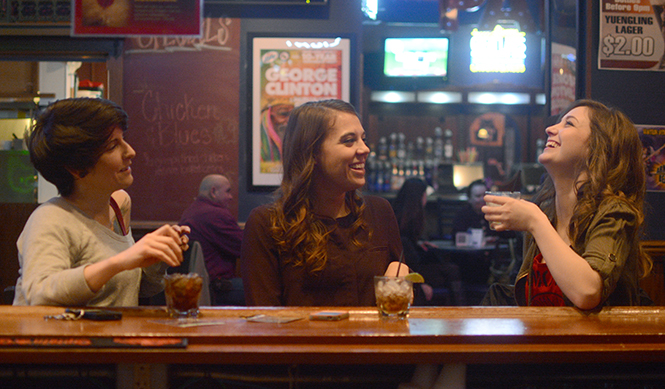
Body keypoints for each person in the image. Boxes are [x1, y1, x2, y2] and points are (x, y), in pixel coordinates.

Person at [13, 98, 189, 307]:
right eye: (113, 145)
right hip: (62, 340)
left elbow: (136, 290)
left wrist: (155, 257)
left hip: (113, 338)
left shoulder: (118, 205)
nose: (130, 151)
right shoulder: (51, 218)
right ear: (76, 167)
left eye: (123, 139)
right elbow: (40, 293)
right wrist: (121, 261)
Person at [482, 99, 652, 309]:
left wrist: (535, 221)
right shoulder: (547, 211)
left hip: (597, 341)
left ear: (598, 146)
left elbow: (587, 292)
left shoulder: (615, 211)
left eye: (568, 124)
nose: (550, 129)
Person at [240, 99, 405, 306]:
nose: (364, 149)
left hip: (372, 338)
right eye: (349, 141)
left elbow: (400, 289)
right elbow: (263, 319)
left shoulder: (379, 212)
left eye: (363, 139)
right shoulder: (267, 223)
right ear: (313, 152)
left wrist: (402, 279)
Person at [393, 178, 465, 305]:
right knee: (452, 271)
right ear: (420, 197)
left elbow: (404, 243)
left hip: (409, 267)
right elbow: (408, 253)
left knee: (450, 270)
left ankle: (459, 310)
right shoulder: (412, 218)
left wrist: (418, 243)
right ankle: (460, 310)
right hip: (411, 270)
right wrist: (420, 284)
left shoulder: (397, 215)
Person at [179, 174, 245, 305]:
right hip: (216, 289)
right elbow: (245, 247)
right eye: (228, 191)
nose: (231, 197)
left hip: (197, 288)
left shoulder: (191, 211)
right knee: (267, 289)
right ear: (213, 192)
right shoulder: (216, 214)